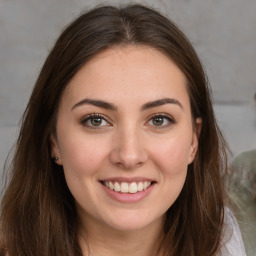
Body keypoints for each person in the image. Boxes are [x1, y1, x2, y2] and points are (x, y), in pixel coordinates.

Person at [0, 4, 246, 256]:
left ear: (193, 141)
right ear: (54, 141)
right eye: (96, 121)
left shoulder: (225, 242)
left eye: (159, 120)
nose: (129, 156)